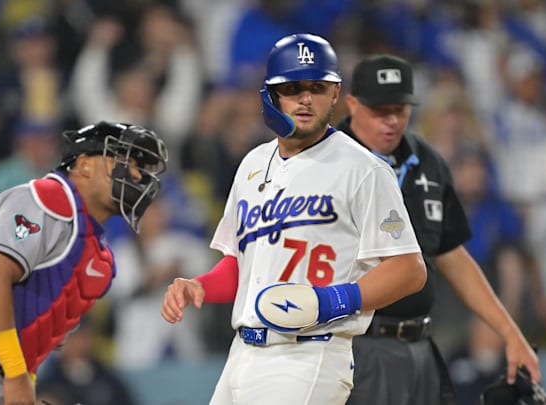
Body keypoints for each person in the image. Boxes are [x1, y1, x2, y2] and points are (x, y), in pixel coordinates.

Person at [161, 33, 427, 405]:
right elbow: (244, 266)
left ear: (335, 93)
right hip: (242, 353)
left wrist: (333, 300)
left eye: (317, 87)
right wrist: (200, 286)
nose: (305, 98)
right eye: (293, 88)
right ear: (272, 95)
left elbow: (409, 268)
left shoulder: (363, 169)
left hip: (310, 352)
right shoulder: (252, 165)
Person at [337, 54, 541, 405]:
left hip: (419, 346)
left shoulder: (428, 162)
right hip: (353, 347)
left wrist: (509, 331)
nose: (391, 121)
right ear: (352, 104)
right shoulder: (323, 162)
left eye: (399, 109)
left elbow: (452, 255)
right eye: (379, 110)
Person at [0, 121, 168, 404]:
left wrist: (23, 380)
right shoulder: (44, 200)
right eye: (124, 160)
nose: (136, 174)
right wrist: (16, 375)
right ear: (84, 164)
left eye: (140, 167)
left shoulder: (97, 260)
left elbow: (37, 336)